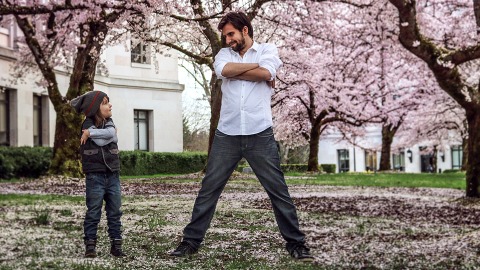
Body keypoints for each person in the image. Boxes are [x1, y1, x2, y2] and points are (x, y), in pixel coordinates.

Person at [170, 11, 313, 262]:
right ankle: (190, 242)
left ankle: (296, 243)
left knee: (278, 190)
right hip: (227, 134)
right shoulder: (224, 54)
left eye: (231, 34)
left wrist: (248, 71)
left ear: (245, 30)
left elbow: (266, 74)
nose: (227, 40)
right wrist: (256, 70)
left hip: (260, 133)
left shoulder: (268, 49)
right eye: (225, 36)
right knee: (209, 190)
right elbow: (225, 69)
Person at [70, 90, 125, 258]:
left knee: (115, 211)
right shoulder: (87, 123)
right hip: (95, 176)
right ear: (95, 107)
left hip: (112, 175)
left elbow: (110, 134)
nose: (110, 105)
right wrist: (107, 134)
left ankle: (116, 245)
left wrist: (93, 134)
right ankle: (90, 245)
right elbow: (105, 139)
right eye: (105, 103)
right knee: (94, 211)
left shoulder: (109, 122)